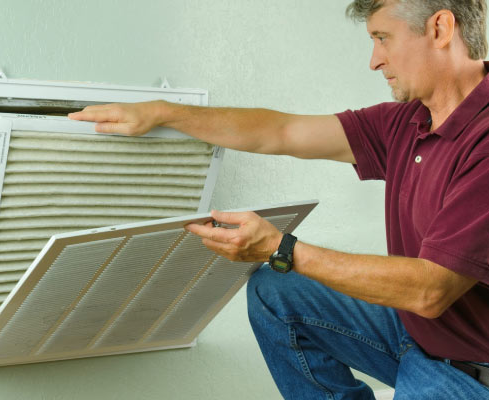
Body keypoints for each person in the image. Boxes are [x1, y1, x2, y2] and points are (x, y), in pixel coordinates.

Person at [69, 0, 489, 398]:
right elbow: (281, 132)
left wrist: (282, 247)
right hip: (417, 335)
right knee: (278, 292)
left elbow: (429, 291)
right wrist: (164, 113)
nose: (375, 60)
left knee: (288, 266)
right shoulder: (408, 120)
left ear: (440, 28)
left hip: (471, 368)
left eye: (384, 38)